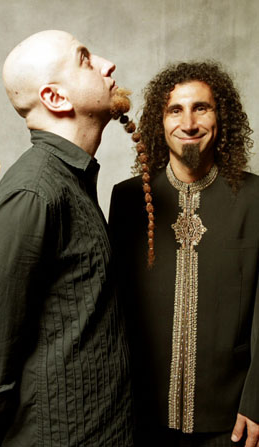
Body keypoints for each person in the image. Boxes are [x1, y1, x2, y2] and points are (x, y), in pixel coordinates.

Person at [0, 30, 134, 447]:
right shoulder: (34, 191)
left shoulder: (70, 178)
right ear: (55, 98)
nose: (107, 64)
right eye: (85, 59)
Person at [109, 61, 259, 446]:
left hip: (232, 417)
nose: (188, 123)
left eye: (201, 108)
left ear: (221, 117)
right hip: (141, 414)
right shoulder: (127, 200)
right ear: (159, 123)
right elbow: (113, 308)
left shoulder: (255, 198)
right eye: (175, 110)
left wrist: (257, 401)